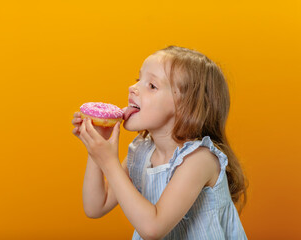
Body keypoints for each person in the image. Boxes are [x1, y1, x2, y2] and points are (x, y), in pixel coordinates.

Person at [72, 46, 248, 239]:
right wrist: (96, 148)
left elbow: (153, 228)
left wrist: (108, 161)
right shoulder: (142, 152)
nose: (133, 88)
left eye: (152, 86)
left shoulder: (200, 160)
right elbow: (95, 206)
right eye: (138, 80)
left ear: (185, 107)